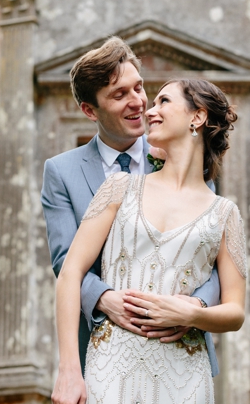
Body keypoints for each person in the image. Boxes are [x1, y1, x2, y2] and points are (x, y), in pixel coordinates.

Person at [52, 78, 246, 404]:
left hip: (185, 379)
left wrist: (191, 313)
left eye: (163, 101)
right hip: (110, 368)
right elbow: (70, 274)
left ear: (197, 116)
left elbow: (235, 312)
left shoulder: (225, 214)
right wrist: (70, 370)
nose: (149, 110)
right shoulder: (119, 188)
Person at [41, 37, 222, 380]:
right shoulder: (61, 172)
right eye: (119, 94)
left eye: (138, 87)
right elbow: (65, 260)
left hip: (181, 347)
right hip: (104, 347)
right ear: (89, 110)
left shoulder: (179, 154)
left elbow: (212, 251)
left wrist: (195, 307)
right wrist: (105, 299)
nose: (138, 102)